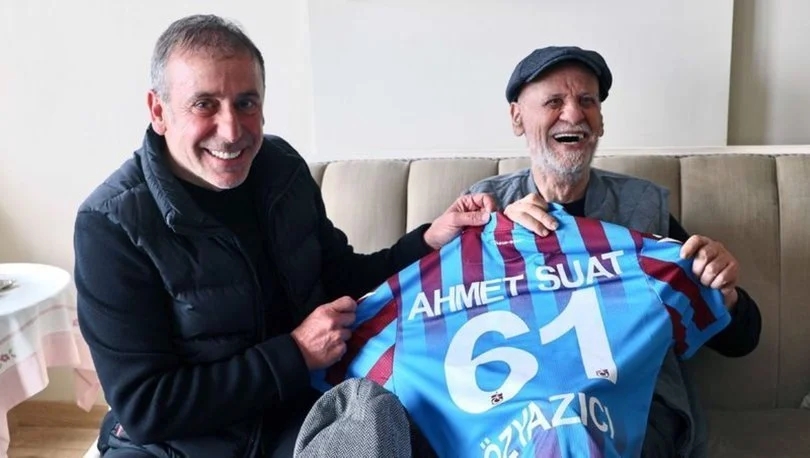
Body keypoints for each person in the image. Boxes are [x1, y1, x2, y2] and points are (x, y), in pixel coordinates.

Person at [74, 14, 495, 457]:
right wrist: (295, 354)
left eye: (246, 103)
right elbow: (145, 408)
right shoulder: (110, 225)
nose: (231, 131)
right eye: (204, 105)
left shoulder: (281, 169)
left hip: (291, 416)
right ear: (158, 111)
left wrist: (428, 242)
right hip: (180, 445)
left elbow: (340, 278)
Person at [464, 46, 762, 457]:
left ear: (601, 120)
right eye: (554, 101)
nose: (574, 114)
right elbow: (434, 319)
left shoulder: (643, 209)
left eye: (587, 100)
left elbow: (741, 340)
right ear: (517, 118)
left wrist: (723, 292)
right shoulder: (482, 208)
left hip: (635, 405)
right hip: (520, 409)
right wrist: (492, 239)